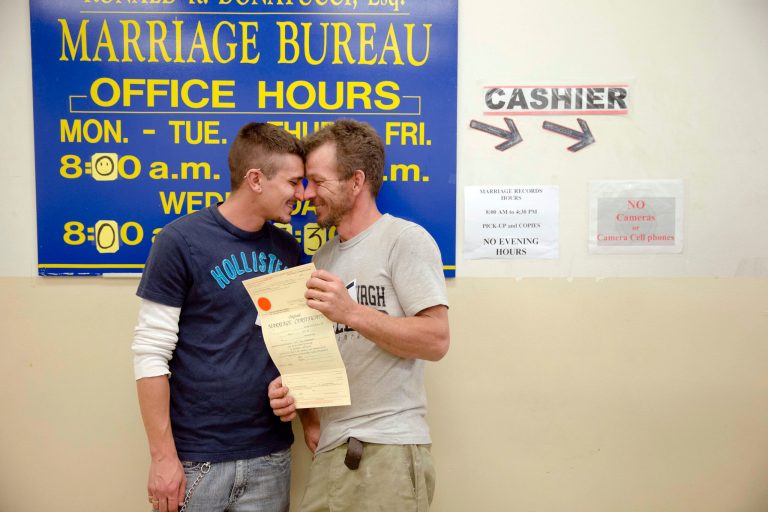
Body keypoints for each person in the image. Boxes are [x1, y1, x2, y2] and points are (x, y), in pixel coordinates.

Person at [268, 119, 450, 511]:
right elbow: (321, 354)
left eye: (318, 181)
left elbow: (436, 340)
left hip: (388, 449)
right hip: (332, 450)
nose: (306, 194)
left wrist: (350, 312)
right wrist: (301, 406)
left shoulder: (405, 240)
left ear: (356, 181)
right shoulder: (324, 258)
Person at [132, 122, 305, 512]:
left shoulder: (288, 249)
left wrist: (296, 391)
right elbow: (149, 354)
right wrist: (162, 459)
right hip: (197, 459)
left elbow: (296, 343)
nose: (302, 195)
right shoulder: (180, 241)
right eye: (294, 182)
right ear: (256, 179)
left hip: (270, 455)